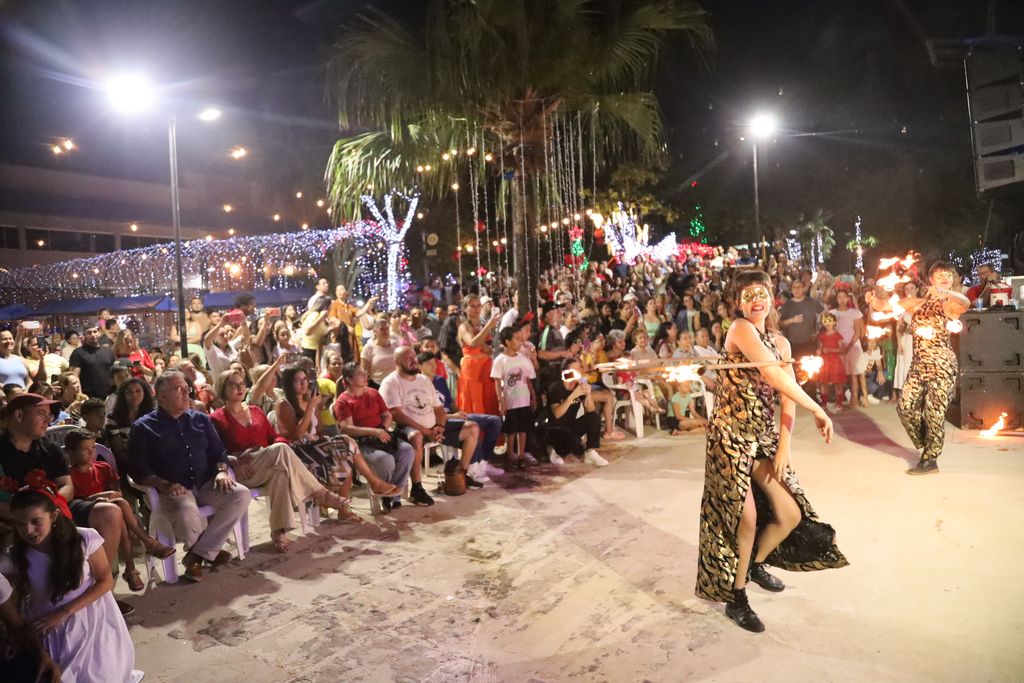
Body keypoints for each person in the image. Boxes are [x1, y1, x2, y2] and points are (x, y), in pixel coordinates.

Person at [696, 269, 846, 634]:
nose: (755, 300)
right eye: (747, 295)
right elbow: (775, 377)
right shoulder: (740, 330)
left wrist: (784, 447)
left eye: (760, 293)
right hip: (729, 437)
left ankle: (753, 564)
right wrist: (819, 409)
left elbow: (785, 396)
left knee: (789, 514)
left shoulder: (781, 342)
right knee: (745, 517)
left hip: (762, 437)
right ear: (737, 303)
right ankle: (736, 598)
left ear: (771, 297)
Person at [209, 369, 357, 551]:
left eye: (242, 383)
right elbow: (214, 451)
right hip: (244, 469)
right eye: (233, 384)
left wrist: (279, 446)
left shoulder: (255, 411)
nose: (239, 388)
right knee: (280, 450)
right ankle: (321, 494)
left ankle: (279, 532)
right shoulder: (216, 418)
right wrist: (233, 461)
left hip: (268, 459)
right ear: (223, 388)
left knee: (280, 471)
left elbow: (275, 437)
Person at [0, 487, 139, 682]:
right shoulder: (15, 557)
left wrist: (64, 612)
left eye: (36, 521)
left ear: (54, 516)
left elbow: (105, 581)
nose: (28, 530)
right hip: (48, 626)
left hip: (89, 618)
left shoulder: (83, 539)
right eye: (21, 524)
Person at [127, 371, 252, 582]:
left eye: (187, 389)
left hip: (205, 482)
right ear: (161, 395)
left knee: (240, 494)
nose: (187, 393)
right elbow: (137, 469)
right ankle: (207, 552)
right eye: (179, 389)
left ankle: (198, 555)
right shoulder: (143, 427)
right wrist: (163, 484)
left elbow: (219, 451)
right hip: (172, 487)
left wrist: (222, 471)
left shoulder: (200, 420)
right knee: (187, 510)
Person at [873, 261, 970, 475]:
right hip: (918, 366)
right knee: (905, 408)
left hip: (942, 366)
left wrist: (946, 293)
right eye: (939, 275)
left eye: (948, 275)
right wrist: (876, 295)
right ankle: (929, 441)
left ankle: (930, 459)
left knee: (934, 413)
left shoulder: (950, 304)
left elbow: (965, 302)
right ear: (930, 280)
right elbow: (882, 307)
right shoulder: (916, 303)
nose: (945, 278)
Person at [64, 429, 175, 591]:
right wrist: (100, 497)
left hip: (113, 508)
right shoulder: (69, 476)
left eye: (93, 447)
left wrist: (109, 497)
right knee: (118, 510)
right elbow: (75, 503)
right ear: (71, 453)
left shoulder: (103, 467)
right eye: (84, 449)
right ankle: (144, 549)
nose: (91, 453)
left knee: (119, 509)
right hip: (89, 516)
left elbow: (117, 492)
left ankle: (133, 566)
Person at [380, 346, 484, 492]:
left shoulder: (423, 380)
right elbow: (396, 414)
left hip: (433, 428)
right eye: (408, 358)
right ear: (397, 362)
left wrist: (440, 427)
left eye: (414, 357)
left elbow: (439, 409)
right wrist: (425, 431)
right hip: (407, 430)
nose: (413, 361)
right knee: (416, 436)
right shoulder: (390, 382)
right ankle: (417, 488)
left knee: (472, 427)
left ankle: (460, 474)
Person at [332, 363, 424, 509]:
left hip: (381, 434)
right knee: (385, 459)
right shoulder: (344, 401)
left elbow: (387, 415)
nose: (365, 376)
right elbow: (346, 428)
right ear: (349, 379)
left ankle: (392, 494)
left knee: (407, 451)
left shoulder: (373, 393)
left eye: (365, 373)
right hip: (362, 442)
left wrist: (382, 428)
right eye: (360, 374)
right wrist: (373, 432)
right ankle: (387, 493)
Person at [544, 358, 607, 467]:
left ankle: (591, 452)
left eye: (579, 369)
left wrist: (588, 394)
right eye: (575, 370)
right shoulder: (556, 387)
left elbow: (590, 410)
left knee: (594, 418)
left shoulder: (578, 385)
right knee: (573, 444)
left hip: (570, 426)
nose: (579, 372)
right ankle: (552, 449)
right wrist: (572, 396)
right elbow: (557, 414)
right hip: (555, 429)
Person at [491, 327, 537, 468]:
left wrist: (533, 396)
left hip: (524, 400)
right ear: (507, 341)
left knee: (523, 429)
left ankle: (521, 455)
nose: (520, 341)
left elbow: (528, 379)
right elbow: (497, 382)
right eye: (517, 338)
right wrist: (501, 401)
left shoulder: (523, 359)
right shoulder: (500, 360)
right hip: (511, 400)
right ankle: (510, 454)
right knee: (511, 430)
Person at [456, 295, 501, 415]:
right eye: (472, 306)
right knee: (475, 399)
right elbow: (473, 343)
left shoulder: (482, 324)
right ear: (465, 309)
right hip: (472, 369)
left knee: (489, 400)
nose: (476, 309)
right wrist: (489, 326)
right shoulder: (463, 327)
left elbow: (489, 346)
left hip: (486, 367)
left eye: (478, 305)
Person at [829, 287, 864, 408]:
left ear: (848, 298)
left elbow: (858, 332)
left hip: (853, 345)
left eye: (844, 297)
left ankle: (854, 399)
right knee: (839, 373)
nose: (842, 299)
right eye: (839, 297)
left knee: (853, 373)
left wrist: (848, 347)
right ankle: (839, 399)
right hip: (838, 346)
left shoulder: (855, 313)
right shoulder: (833, 313)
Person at [68, 327, 115, 399]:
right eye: (89, 333)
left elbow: (114, 374)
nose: (93, 335)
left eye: (95, 332)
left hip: (109, 396)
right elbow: (74, 376)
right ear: (84, 335)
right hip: (88, 397)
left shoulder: (108, 351)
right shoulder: (78, 353)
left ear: (99, 333)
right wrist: (79, 395)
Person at [816, 313, 847, 412]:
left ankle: (839, 404)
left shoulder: (837, 336)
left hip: (835, 362)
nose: (827, 323)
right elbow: (820, 348)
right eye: (825, 321)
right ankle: (824, 404)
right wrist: (819, 351)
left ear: (834, 322)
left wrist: (830, 350)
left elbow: (842, 349)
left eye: (830, 321)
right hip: (825, 362)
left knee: (838, 383)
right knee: (824, 383)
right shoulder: (821, 336)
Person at [361, 317, 397, 388]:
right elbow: (364, 371)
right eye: (382, 329)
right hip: (377, 385)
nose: (385, 331)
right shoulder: (369, 348)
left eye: (387, 328)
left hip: (394, 383)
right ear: (375, 332)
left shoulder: (395, 345)